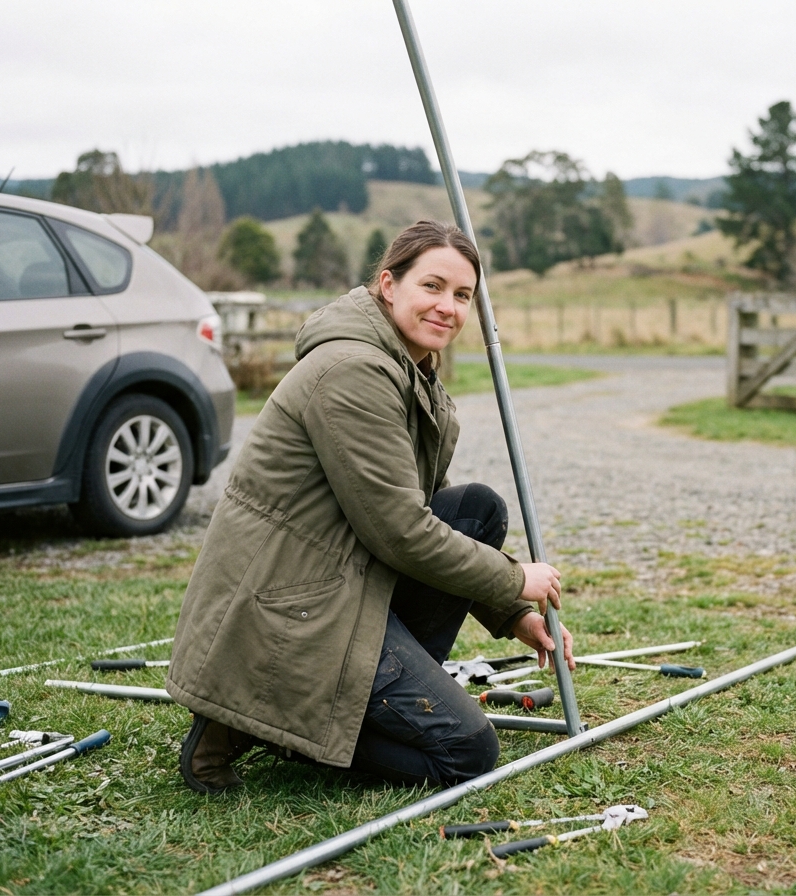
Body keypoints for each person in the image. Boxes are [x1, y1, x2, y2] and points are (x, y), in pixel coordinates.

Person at [166, 220, 574, 794]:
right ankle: (272, 721)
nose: (448, 307)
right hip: (293, 604)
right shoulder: (353, 371)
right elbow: (402, 533)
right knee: (466, 753)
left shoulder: (407, 368)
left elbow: (429, 511)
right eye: (431, 286)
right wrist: (514, 578)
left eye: (462, 296)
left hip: (345, 579)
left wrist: (511, 612)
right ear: (388, 285)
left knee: (476, 509)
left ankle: (333, 703)